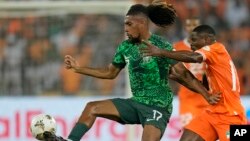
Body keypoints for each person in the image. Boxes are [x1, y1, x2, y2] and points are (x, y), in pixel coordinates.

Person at [43, 4, 220, 141]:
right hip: (136, 103)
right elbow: (110, 72)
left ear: (142, 23)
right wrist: (78, 68)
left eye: (129, 24)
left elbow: (183, 75)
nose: (125, 28)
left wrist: (206, 95)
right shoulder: (125, 47)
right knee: (92, 107)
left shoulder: (161, 45)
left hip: (157, 107)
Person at [140, 24, 247, 141]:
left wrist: (160, 52)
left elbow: (195, 57)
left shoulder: (217, 48)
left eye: (194, 40)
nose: (191, 44)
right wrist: (178, 77)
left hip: (232, 116)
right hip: (212, 112)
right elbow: (200, 86)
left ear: (206, 39)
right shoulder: (211, 65)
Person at [173, 18, 209, 127]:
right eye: (189, 25)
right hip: (188, 99)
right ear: (185, 28)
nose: (193, 28)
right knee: (189, 132)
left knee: (208, 134)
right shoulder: (176, 47)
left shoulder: (209, 47)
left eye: (196, 25)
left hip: (207, 97)